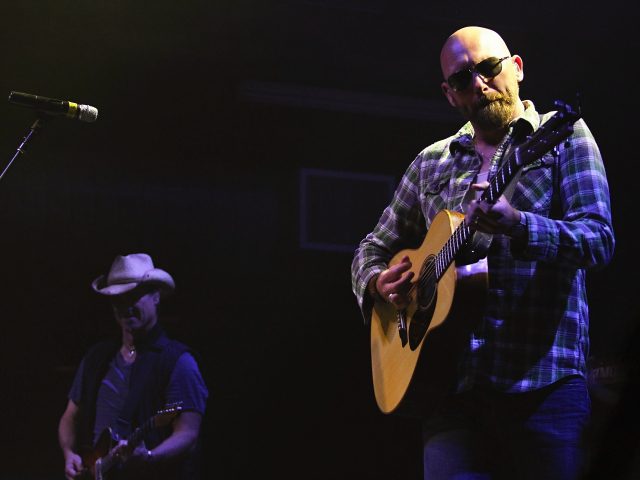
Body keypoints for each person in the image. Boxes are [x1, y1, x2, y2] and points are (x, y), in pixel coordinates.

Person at [351, 26, 614, 480]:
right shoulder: (432, 161)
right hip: (452, 388)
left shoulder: (564, 137)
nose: (478, 83)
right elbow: (370, 248)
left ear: (516, 67)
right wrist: (376, 280)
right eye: (461, 79)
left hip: (543, 384)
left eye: (488, 68)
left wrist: (519, 224)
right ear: (450, 95)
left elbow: (597, 238)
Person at [58, 253, 209, 479]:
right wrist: (69, 453)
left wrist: (149, 457)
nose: (124, 306)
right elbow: (70, 416)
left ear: (156, 297)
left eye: (134, 296)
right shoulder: (96, 357)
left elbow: (188, 432)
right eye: (117, 299)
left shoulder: (178, 361)